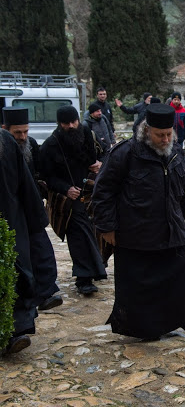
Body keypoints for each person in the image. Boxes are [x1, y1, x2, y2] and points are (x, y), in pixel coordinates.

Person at [92, 103, 185, 339]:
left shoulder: (176, 154)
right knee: (139, 288)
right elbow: (103, 192)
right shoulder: (125, 154)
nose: (165, 139)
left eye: (168, 134)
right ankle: (145, 328)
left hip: (171, 231)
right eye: (159, 135)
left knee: (181, 276)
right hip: (136, 235)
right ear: (146, 131)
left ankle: (184, 319)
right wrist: (107, 226)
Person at [39, 106, 107, 295]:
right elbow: (46, 177)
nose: (71, 126)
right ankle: (84, 278)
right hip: (68, 200)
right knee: (79, 234)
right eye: (66, 123)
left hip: (90, 192)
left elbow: (100, 155)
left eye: (74, 121)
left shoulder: (86, 133)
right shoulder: (50, 146)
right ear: (59, 124)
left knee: (97, 230)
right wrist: (66, 189)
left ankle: (97, 266)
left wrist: (98, 164)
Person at [2, 107, 62, 312]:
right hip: (12, 210)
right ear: (5, 129)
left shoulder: (32, 145)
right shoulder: (6, 148)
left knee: (41, 251)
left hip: (31, 206)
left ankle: (46, 291)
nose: (22, 137)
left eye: (25, 132)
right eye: (17, 133)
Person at [0, 128, 50, 354]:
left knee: (16, 273)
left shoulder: (6, 142)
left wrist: (36, 221)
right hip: (12, 219)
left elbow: (25, 183)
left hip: (11, 219)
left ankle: (17, 331)